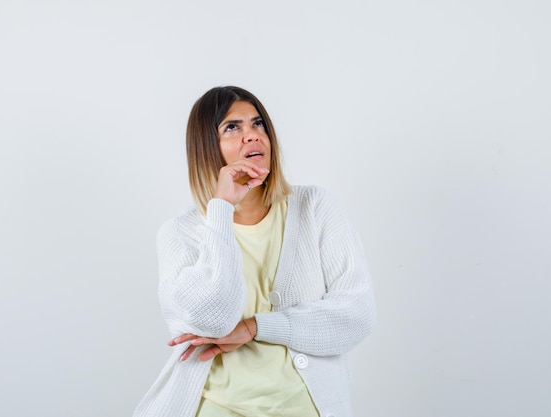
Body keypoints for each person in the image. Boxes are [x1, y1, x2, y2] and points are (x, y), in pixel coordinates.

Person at [133, 86, 376, 417]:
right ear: (206, 148)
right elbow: (213, 319)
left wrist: (255, 327)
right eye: (232, 127)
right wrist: (220, 208)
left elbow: (356, 315)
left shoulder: (314, 207)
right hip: (216, 408)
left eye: (258, 123)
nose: (252, 136)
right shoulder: (179, 234)